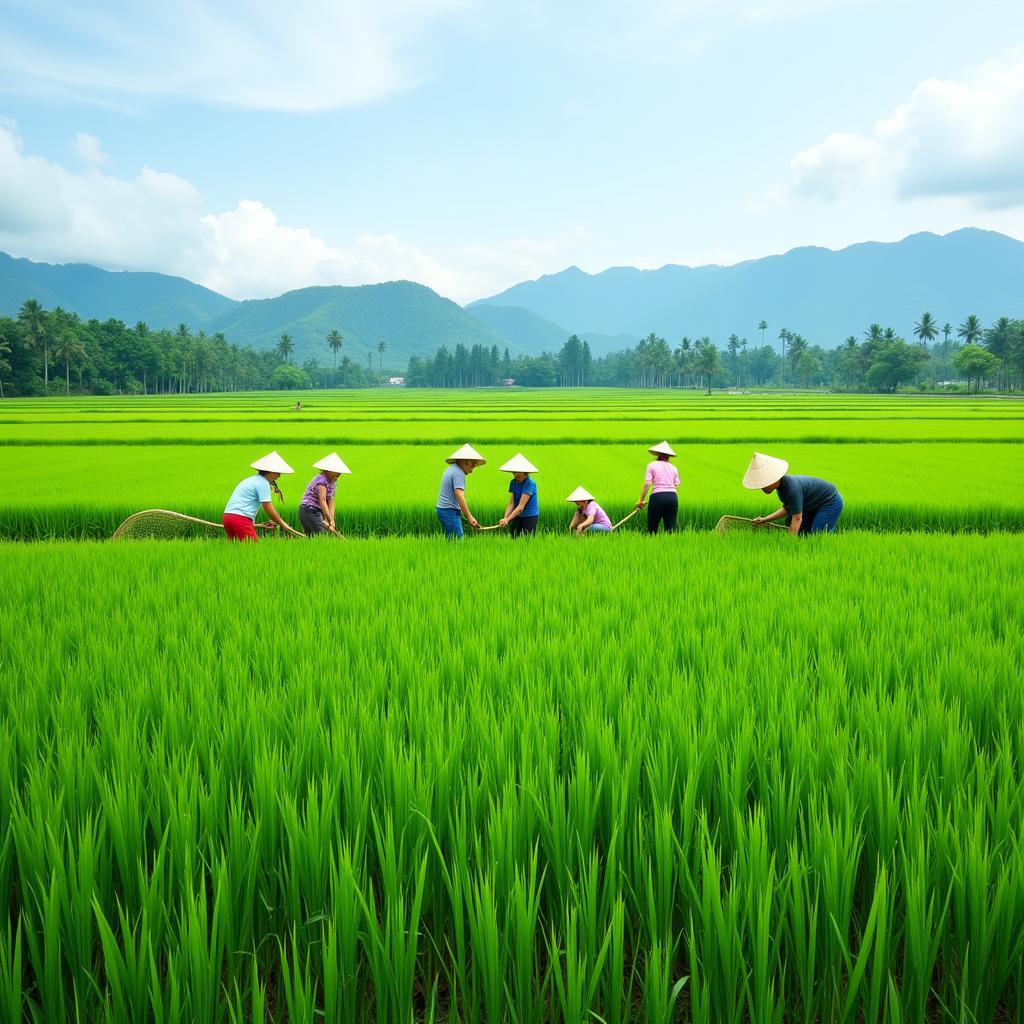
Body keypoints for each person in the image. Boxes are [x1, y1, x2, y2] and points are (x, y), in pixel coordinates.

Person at [743, 452, 844, 534]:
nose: (762, 488)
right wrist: (765, 519)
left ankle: (832, 534)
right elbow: (787, 509)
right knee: (802, 533)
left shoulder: (792, 488)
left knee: (817, 535)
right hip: (812, 505)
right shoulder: (781, 488)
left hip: (830, 502)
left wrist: (789, 545)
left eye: (764, 484)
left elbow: (797, 518)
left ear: (774, 479)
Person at [223, 451, 305, 541]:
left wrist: (260, 525)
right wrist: (282, 524)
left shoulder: (252, 479)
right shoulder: (263, 482)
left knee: (237, 551)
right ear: (270, 471)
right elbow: (267, 507)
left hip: (228, 517)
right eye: (277, 472)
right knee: (252, 551)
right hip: (240, 519)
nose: (279, 475)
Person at [436, 444, 485, 539]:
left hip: (445, 510)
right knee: (457, 542)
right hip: (448, 511)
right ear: (465, 462)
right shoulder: (459, 473)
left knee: (452, 540)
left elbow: (458, 496)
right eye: (472, 465)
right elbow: (459, 496)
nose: (472, 470)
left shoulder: (452, 469)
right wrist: (469, 517)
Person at [299, 452, 351, 536]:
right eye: (336, 471)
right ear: (328, 470)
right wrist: (329, 520)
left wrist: (331, 520)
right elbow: (322, 500)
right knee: (321, 537)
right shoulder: (321, 480)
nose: (339, 474)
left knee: (319, 538)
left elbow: (331, 500)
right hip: (309, 510)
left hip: (318, 511)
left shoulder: (333, 481)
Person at [637, 441, 680, 533]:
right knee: (670, 530)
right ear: (669, 456)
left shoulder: (652, 465)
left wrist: (640, 500)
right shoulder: (674, 468)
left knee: (652, 529)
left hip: (657, 497)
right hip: (673, 497)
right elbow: (676, 485)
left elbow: (647, 484)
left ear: (658, 454)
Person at [498, 453, 540, 537]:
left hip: (530, 515)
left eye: (518, 474)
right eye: (514, 473)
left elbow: (521, 507)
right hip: (517, 514)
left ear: (524, 473)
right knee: (513, 537)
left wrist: (508, 519)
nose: (515, 475)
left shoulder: (529, 483)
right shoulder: (513, 482)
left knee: (528, 540)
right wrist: (505, 518)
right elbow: (511, 503)